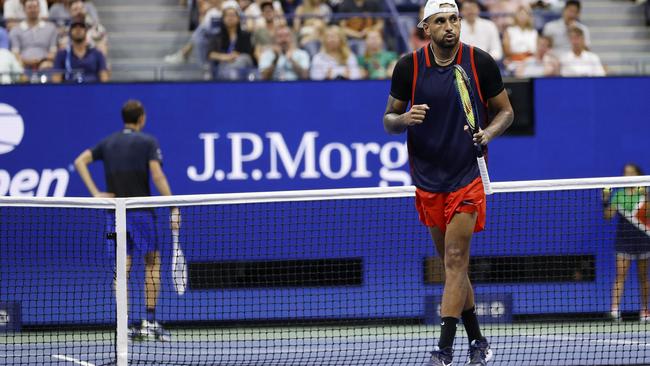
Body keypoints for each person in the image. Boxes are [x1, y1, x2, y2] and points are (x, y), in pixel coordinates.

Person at [383, 0, 513, 364]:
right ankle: (478, 340)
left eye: (453, 18)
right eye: (440, 21)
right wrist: (405, 118)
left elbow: (506, 111)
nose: (449, 26)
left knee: (455, 258)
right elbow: (388, 120)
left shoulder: (480, 62)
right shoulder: (409, 67)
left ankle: (443, 349)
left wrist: (487, 133)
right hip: (427, 179)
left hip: (466, 177)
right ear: (427, 28)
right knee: (451, 265)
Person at [74, 100, 180, 341]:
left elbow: (80, 161)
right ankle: (150, 322)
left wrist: (95, 193)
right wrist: (174, 206)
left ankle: (124, 326)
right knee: (152, 263)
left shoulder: (107, 143)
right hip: (141, 214)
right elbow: (158, 175)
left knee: (122, 268)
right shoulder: (148, 142)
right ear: (141, 118)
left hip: (114, 218)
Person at [603, 163, 650, 322]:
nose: (628, 176)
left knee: (643, 276)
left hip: (643, 239)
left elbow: (649, 215)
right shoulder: (618, 194)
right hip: (624, 241)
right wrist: (606, 201)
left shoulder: (645, 192)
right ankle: (614, 311)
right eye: (625, 173)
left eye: (631, 173)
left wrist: (647, 196)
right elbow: (608, 216)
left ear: (638, 175)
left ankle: (644, 311)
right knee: (620, 275)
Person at [207, 0, 255, 80]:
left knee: (243, 59)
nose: (230, 18)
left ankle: (232, 78)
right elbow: (210, 54)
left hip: (242, 65)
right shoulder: (217, 36)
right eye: (227, 15)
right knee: (223, 68)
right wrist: (226, 57)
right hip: (224, 65)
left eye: (233, 15)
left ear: (238, 18)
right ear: (223, 19)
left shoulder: (245, 35)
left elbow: (249, 54)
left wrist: (236, 56)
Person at [51, 17, 109, 83]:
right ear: (70, 32)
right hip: (69, 90)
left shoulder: (97, 54)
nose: (78, 29)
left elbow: (104, 77)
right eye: (74, 27)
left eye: (81, 27)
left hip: (92, 90)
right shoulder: (62, 54)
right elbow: (56, 79)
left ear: (86, 31)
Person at [9, 0, 57, 71]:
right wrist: (27, 61)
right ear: (24, 10)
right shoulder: (15, 30)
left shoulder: (51, 28)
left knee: (49, 65)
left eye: (35, 7)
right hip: (23, 65)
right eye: (29, 7)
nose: (32, 10)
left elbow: (53, 51)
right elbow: (15, 54)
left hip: (45, 64)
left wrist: (41, 61)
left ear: (39, 9)